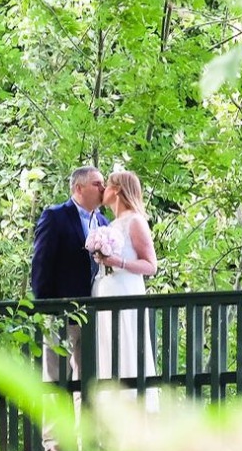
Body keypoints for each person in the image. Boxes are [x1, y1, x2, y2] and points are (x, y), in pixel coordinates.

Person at [30, 166, 107, 389]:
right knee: (56, 379)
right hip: (61, 312)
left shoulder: (103, 222)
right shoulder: (55, 216)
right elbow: (41, 263)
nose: (103, 188)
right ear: (79, 188)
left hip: (91, 315)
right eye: (97, 184)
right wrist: (48, 307)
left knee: (88, 381)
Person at [90, 169, 158, 391]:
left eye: (106, 185)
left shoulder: (135, 222)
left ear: (117, 189)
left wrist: (118, 263)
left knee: (127, 343)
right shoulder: (110, 225)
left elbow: (150, 266)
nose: (103, 190)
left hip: (126, 290)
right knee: (108, 347)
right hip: (106, 291)